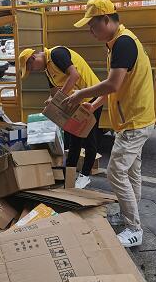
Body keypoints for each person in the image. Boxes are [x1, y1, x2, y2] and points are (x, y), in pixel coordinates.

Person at [64, 0, 156, 247]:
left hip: (135, 122)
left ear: (106, 20)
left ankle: (134, 229)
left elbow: (113, 84)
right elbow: (116, 84)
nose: (90, 31)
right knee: (132, 172)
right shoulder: (118, 42)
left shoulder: (124, 44)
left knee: (115, 172)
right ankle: (130, 217)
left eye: (92, 25)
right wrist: (94, 105)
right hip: (136, 120)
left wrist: (80, 94)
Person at [18, 46, 103, 189]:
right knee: (73, 139)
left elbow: (74, 75)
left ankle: (85, 175)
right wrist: (50, 103)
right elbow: (53, 92)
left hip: (92, 98)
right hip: (76, 101)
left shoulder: (57, 54)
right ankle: (68, 175)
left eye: (31, 68)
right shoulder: (47, 70)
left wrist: (58, 99)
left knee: (89, 138)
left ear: (33, 58)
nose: (33, 71)